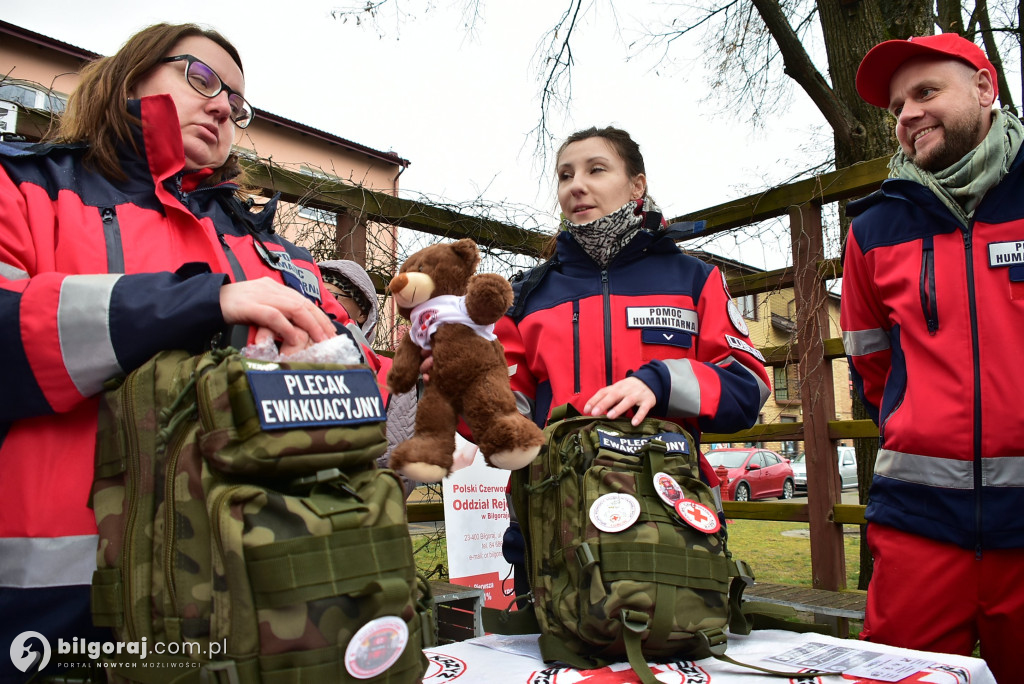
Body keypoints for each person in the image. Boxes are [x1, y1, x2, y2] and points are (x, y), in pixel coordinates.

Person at [0, 23, 373, 682]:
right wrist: (200, 304)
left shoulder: (267, 249)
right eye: (200, 78)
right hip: (55, 604)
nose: (223, 106)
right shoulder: (24, 188)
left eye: (237, 101)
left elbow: (360, 385)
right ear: (131, 74)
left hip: (244, 590)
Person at [496, 126, 771, 597]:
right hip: (549, 521)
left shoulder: (694, 279)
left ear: (637, 184)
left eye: (595, 169)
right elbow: (505, 416)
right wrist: (456, 381)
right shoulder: (526, 296)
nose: (576, 185)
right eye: (565, 175)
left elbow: (748, 388)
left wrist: (663, 381)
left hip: (670, 520)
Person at [842, 33, 1024, 683]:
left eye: (926, 92)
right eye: (896, 106)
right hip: (917, 526)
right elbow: (872, 368)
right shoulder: (873, 229)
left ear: (984, 88)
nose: (907, 114)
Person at [319, 259, 419, 498]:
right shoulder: (277, 357)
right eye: (315, 292)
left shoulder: (391, 374)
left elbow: (401, 472)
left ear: (363, 312)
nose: (320, 303)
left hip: (358, 514)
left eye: (331, 294)